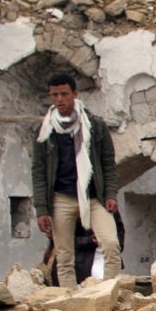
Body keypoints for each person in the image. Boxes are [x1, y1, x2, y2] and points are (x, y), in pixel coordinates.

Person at [32, 72, 121, 287]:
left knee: (110, 244)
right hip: (61, 196)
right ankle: (70, 301)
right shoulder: (45, 131)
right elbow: (39, 171)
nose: (59, 99)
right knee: (64, 254)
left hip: (93, 196)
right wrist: (41, 208)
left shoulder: (95, 126)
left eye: (63, 94)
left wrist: (110, 193)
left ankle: (110, 294)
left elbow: (108, 163)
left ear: (74, 94)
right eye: (54, 95)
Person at [48, 211, 125, 286]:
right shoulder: (71, 210)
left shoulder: (106, 204)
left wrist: (116, 245)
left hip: (107, 255)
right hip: (84, 259)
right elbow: (67, 240)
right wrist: (90, 240)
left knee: (112, 285)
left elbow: (119, 228)